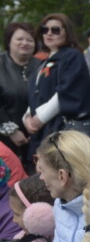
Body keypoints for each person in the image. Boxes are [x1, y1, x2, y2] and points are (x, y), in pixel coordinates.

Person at [24, 14, 90, 151]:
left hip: (63, 132)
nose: (49, 33)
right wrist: (27, 117)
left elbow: (66, 92)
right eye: (44, 29)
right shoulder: (42, 63)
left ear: (66, 32)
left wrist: (39, 119)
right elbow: (35, 94)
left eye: (55, 30)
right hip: (43, 131)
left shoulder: (73, 56)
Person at [0, 23, 40, 167]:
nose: (25, 43)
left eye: (30, 40)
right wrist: (12, 131)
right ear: (9, 41)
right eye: (20, 39)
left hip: (36, 140)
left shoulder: (42, 66)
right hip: (4, 142)